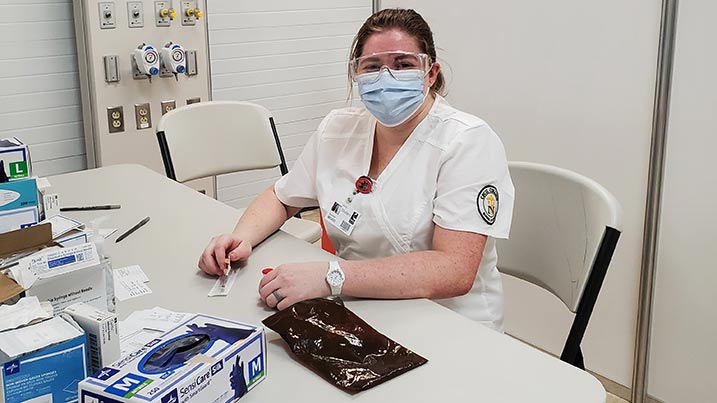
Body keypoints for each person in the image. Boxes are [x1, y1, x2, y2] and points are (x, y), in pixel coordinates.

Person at [198, 8, 514, 331]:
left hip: (453, 326)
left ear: (430, 74)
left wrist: (330, 276)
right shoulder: (338, 130)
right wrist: (239, 239)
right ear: (357, 75)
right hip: (363, 310)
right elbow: (282, 198)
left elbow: (454, 270)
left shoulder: (468, 142)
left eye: (403, 65)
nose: (386, 77)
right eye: (373, 67)